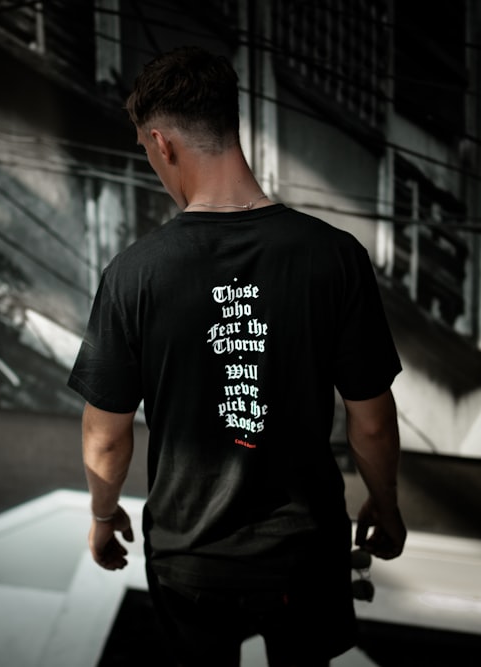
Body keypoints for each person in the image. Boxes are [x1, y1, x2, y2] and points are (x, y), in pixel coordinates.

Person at [67, 45, 406, 667]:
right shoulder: (335, 256)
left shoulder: (134, 275)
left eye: (146, 152)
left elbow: (105, 437)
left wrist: (103, 512)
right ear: (231, 125)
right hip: (306, 552)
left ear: (162, 143)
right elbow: (374, 420)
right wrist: (385, 507)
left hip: (191, 556)